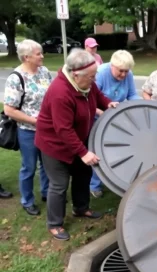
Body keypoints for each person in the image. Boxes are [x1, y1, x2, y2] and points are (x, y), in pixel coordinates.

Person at [35, 48, 118, 241]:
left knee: (83, 174)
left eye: (94, 75)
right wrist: (83, 152)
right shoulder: (60, 93)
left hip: (78, 140)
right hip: (54, 145)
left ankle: (81, 208)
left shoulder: (86, 83)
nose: (94, 79)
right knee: (59, 184)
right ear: (75, 74)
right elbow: (63, 130)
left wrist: (108, 104)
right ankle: (54, 224)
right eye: (91, 76)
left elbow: (97, 95)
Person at [4, 39, 51, 216]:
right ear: (26, 57)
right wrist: (33, 121)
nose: (42, 56)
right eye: (38, 54)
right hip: (27, 131)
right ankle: (27, 200)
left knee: (47, 164)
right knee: (29, 167)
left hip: (47, 129)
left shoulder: (44, 72)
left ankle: (47, 193)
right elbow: (9, 110)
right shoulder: (16, 78)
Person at [90, 50, 140, 197]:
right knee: (98, 152)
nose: (124, 75)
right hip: (97, 118)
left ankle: (118, 179)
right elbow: (89, 100)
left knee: (118, 150)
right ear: (112, 65)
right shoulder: (100, 74)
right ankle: (95, 184)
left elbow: (132, 95)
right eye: (120, 71)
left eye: (126, 71)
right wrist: (101, 113)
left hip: (117, 118)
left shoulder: (128, 75)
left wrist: (142, 106)